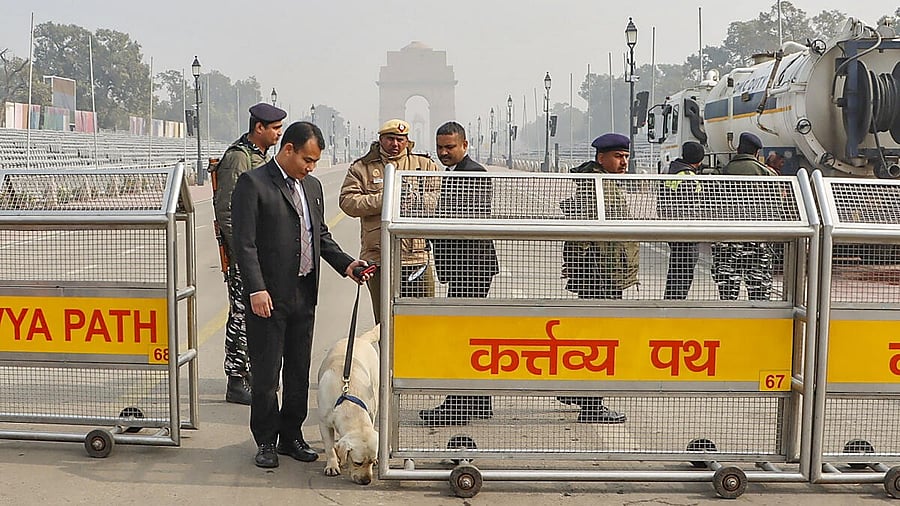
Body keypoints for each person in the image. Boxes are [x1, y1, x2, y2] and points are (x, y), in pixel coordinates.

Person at [231, 121, 370, 469]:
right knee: (265, 374)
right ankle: (265, 440)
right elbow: (244, 244)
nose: (311, 167)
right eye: (307, 159)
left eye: (315, 162)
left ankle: (291, 435)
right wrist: (256, 288)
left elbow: (319, 236)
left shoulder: (312, 187)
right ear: (288, 149)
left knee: (297, 370)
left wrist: (347, 265)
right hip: (268, 296)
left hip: (304, 293)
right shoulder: (254, 184)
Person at [418, 121, 499, 426]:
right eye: (440, 147)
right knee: (471, 336)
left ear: (465, 145)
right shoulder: (452, 174)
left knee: (460, 337)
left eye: (450, 147)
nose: (443, 152)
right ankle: (479, 402)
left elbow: (462, 218)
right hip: (463, 266)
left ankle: (458, 405)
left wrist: (427, 223)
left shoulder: (474, 174)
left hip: (472, 267)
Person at [556, 133, 636, 424]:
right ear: (600, 158)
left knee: (589, 335)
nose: (623, 162)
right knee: (599, 340)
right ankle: (592, 405)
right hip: (600, 274)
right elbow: (583, 236)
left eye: (626, 157)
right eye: (618, 156)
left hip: (603, 270)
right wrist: (575, 264)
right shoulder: (597, 186)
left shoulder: (604, 183)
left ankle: (578, 391)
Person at [212, 103, 285, 405]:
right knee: (241, 316)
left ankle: (253, 372)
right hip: (246, 254)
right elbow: (227, 209)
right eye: (275, 129)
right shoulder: (238, 158)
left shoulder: (258, 156)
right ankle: (235, 378)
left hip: (257, 251)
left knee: (256, 316)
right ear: (260, 128)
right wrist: (244, 251)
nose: (279, 134)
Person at [340, 119, 440, 324]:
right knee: (384, 322)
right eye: (390, 139)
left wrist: (415, 200)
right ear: (380, 140)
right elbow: (348, 202)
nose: (395, 144)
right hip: (378, 257)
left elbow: (437, 199)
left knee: (424, 320)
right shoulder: (362, 168)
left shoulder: (425, 165)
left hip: (416, 256)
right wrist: (385, 200)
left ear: (408, 141)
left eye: (400, 140)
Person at [712, 132, 776, 300]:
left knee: (728, 296)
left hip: (727, 242)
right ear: (757, 153)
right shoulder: (768, 174)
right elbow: (779, 209)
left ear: (738, 149)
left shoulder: (721, 173)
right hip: (758, 242)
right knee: (759, 297)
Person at [659, 141, 704, 300]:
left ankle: (670, 302)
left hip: (673, 229)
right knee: (684, 273)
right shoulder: (687, 177)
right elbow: (691, 208)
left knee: (676, 271)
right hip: (687, 232)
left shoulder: (671, 170)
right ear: (699, 160)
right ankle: (675, 305)